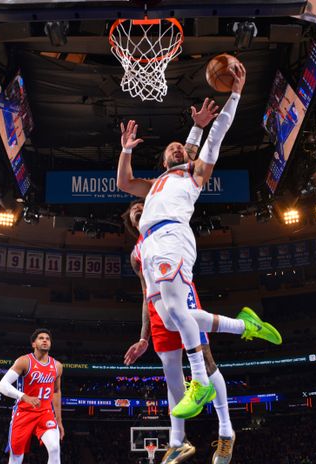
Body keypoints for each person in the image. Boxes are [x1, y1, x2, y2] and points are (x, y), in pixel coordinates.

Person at [116, 62, 281, 419]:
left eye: (182, 148)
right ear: (162, 160)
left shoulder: (194, 174)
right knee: (179, 315)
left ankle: (201, 382)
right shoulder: (155, 185)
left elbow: (215, 136)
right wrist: (126, 149)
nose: (178, 149)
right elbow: (125, 183)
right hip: (154, 244)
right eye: (171, 148)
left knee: (180, 315)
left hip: (174, 235)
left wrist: (235, 94)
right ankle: (245, 326)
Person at [124, 198, 269, 464]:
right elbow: (144, 294)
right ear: (132, 224)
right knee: (171, 374)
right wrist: (143, 336)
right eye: (134, 212)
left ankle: (226, 430)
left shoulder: (170, 228)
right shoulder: (136, 254)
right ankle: (179, 440)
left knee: (205, 362)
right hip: (156, 310)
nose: (139, 211)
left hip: (181, 296)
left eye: (143, 207)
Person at [0, 329, 65, 464]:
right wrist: (23, 396)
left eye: (48, 338)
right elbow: (2, 385)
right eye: (41, 338)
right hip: (23, 413)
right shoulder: (24, 361)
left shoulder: (57, 366)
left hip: (45, 413)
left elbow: (57, 393)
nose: (45, 341)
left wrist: (59, 420)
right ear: (34, 343)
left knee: (54, 448)